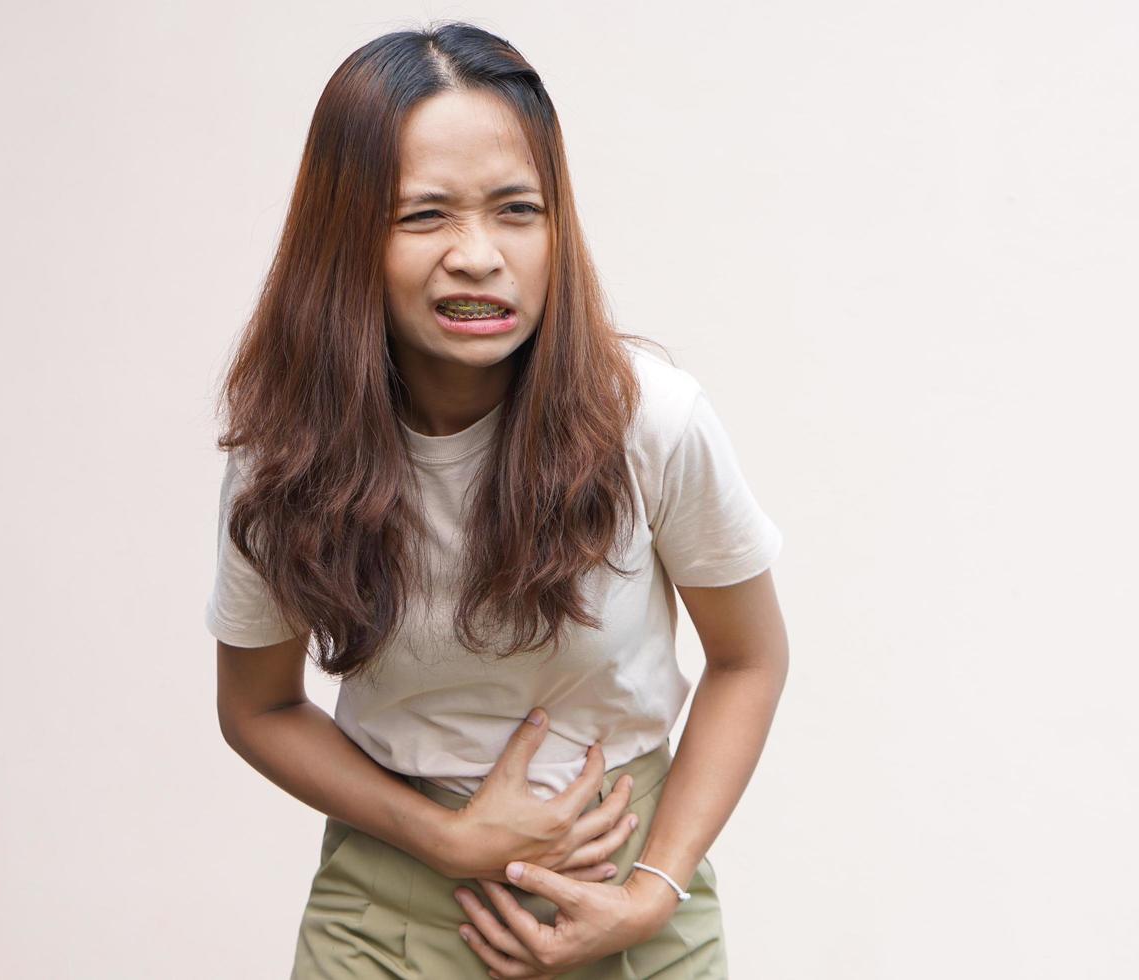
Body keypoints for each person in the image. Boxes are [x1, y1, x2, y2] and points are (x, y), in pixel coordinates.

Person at [205, 21, 790, 979]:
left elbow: (751, 660)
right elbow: (257, 707)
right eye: (424, 215)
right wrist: (444, 841)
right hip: (387, 916)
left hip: (624, 900)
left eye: (517, 209)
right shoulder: (288, 456)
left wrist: (651, 891)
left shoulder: (650, 418)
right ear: (346, 237)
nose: (478, 256)